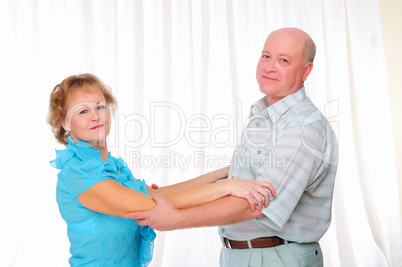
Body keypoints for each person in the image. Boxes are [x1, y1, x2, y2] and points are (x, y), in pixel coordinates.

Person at [126, 27, 339, 267]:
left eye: (283, 60)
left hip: (275, 257)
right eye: (266, 56)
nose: (269, 66)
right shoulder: (264, 117)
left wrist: (175, 218)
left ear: (306, 70)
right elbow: (236, 186)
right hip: (243, 255)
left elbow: (255, 205)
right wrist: (165, 197)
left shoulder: (303, 127)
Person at [47, 73, 276, 267]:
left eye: (99, 107)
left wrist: (219, 175)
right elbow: (153, 206)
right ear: (65, 122)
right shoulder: (79, 172)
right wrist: (227, 187)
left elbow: (158, 194)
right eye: (83, 111)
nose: (96, 116)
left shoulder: (111, 167)